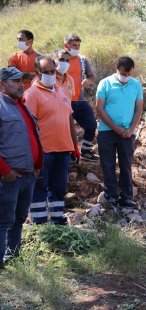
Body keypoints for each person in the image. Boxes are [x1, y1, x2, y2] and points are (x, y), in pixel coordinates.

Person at [24, 56, 77, 225]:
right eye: (45, 72)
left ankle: (56, 220)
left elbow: (69, 119)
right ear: (37, 73)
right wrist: (33, 153)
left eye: (52, 71)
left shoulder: (61, 91)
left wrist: (74, 145)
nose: (50, 74)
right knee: (40, 187)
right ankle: (39, 223)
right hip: (43, 151)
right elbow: (28, 125)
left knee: (59, 187)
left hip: (63, 148)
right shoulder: (31, 94)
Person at [0, 67, 42, 269]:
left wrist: (38, 165)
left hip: (27, 176)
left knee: (18, 219)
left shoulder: (22, 106)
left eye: (22, 81)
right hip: (9, 178)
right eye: (15, 81)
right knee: (3, 221)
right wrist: (6, 172)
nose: (21, 85)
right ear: (2, 84)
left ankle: (12, 259)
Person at [96, 56, 144, 207]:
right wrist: (115, 128)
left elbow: (139, 109)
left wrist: (131, 129)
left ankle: (126, 198)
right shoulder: (105, 83)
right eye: (124, 74)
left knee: (126, 165)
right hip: (106, 131)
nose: (126, 77)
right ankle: (110, 196)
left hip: (127, 133)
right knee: (108, 164)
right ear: (117, 69)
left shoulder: (136, 85)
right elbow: (99, 108)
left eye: (129, 74)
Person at [64, 34, 99, 162]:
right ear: (66, 45)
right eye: (74, 45)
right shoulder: (60, 59)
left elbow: (91, 76)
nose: (77, 47)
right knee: (65, 129)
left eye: (78, 45)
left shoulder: (82, 60)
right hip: (63, 101)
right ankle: (69, 154)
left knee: (91, 124)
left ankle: (86, 151)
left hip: (79, 99)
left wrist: (88, 80)